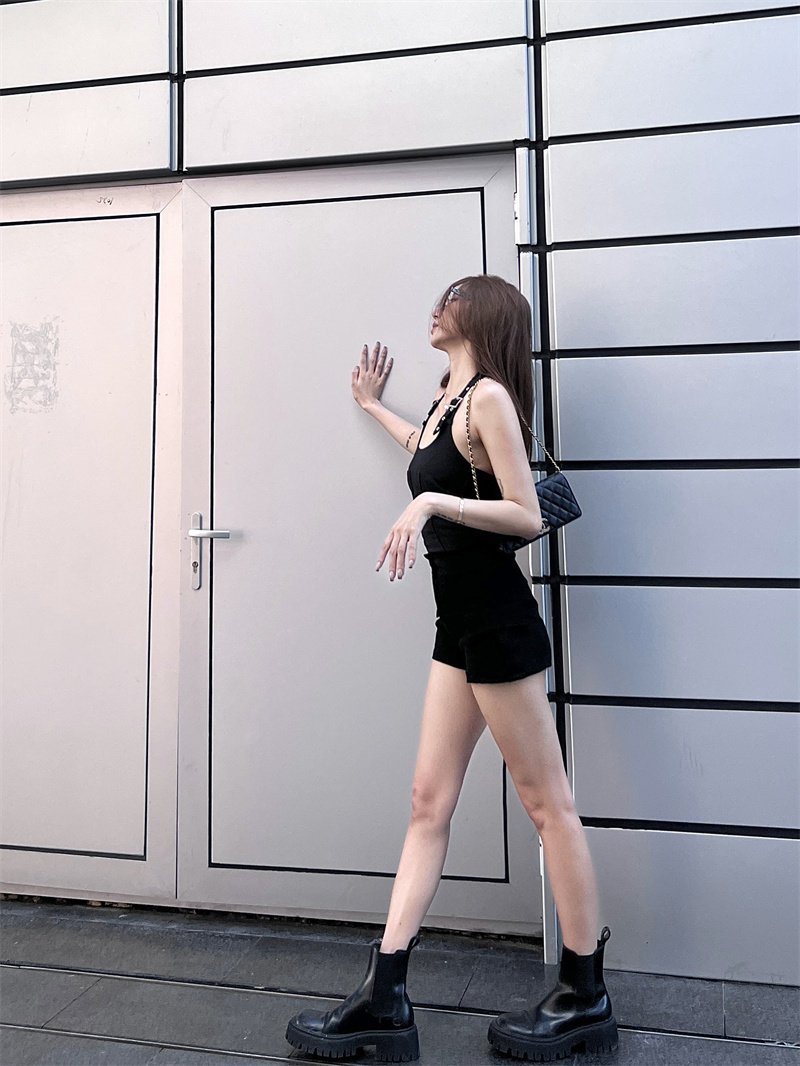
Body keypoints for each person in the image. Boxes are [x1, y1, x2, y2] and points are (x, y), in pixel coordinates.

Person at [285, 275, 618, 1063]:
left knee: (548, 806)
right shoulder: (449, 401)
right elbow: (426, 453)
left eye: (456, 296)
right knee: (427, 802)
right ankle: (385, 995)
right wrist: (372, 407)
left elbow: (525, 514)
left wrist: (432, 506)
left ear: (486, 316)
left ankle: (585, 994)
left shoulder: (489, 399)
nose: (438, 306)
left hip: (499, 625)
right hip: (459, 629)